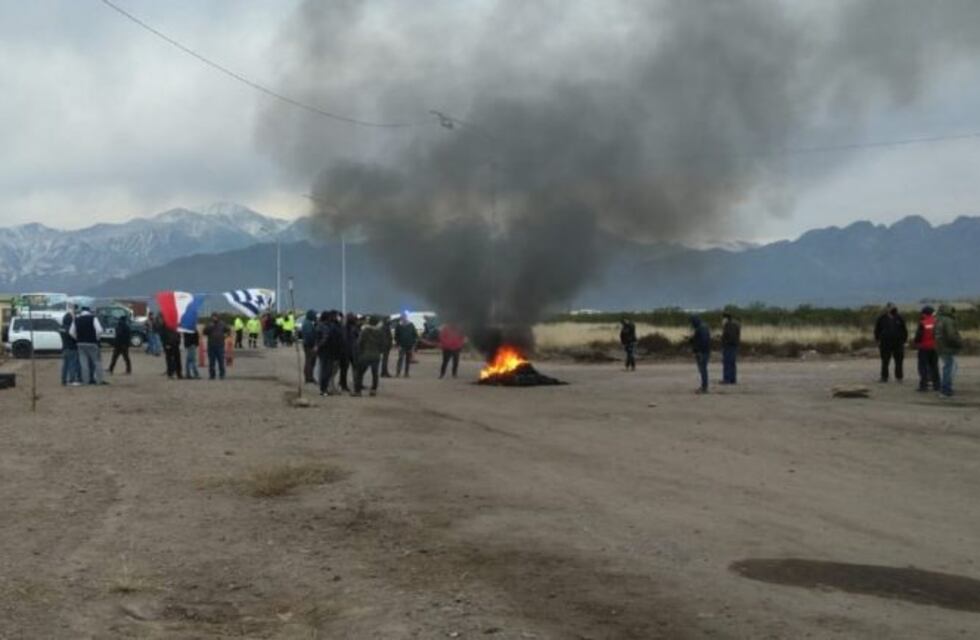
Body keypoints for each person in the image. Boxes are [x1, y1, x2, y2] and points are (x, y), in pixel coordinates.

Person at [70, 306, 107, 385]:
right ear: (89, 311)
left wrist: (77, 338)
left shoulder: (76, 319)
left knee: (84, 363)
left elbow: (71, 332)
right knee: (97, 362)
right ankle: (99, 380)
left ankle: (85, 381)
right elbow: (99, 330)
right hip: (92, 343)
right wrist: (96, 338)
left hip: (80, 344)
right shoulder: (93, 318)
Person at [874, 303, 908, 382]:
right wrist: (877, 340)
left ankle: (899, 377)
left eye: (893, 307)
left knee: (899, 361)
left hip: (898, 343)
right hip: (885, 343)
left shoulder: (899, 318)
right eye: (890, 308)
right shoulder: (882, 318)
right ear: (887, 309)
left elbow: (904, 330)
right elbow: (877, 330)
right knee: (885, 361)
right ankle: (884, 377)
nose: (892, 309)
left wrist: (904, 340)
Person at [934, 304, 962, 398]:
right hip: (947, 348)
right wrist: (959, 343)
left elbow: (934, 333)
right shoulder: (948, 321)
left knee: (949, 367)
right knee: (949, 368)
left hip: (940, 347)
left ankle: (945, 388)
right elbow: (951, 336)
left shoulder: (938, 320)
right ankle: (945, 390)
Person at [353, 315, 384, 396]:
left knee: (359, 373)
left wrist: (359, 352)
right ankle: (373, 390)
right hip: (376, 355)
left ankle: (357, 391)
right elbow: (382, 344)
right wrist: (379, 351)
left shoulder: (365, 331)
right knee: (375, 374)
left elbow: (359, 342)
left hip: (365, 354)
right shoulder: (380, 332)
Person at [315, 311, 344, 397]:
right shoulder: (326, 327)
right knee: (326, 371)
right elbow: (325, 338)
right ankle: (323, 389)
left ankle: (324, 389)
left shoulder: (321, 326)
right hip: (327, 351)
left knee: (326, 370)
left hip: (326, 351)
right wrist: (318, 346)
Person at [912, 305, 940, 392]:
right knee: (934, 367)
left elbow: (919, 336)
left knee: (923, 367)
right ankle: (937, 385)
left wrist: (915, 343)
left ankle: (923, 386)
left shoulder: (922, 323)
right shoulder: (936, 322)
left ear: (924, 313)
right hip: (934, 347)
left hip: (924, 347)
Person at [60, 307, 82, 386]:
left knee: (65, 365)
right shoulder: (70, 328)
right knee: (72, 364)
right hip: (72, 348)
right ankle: (72, 380)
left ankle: (63, 380)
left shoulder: (61, 328)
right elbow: (74, 336)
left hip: (64, 348)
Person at [339, 313, 361, 392]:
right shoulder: (353, 328)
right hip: (351, 350)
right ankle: (353, 384)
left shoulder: (343, 328)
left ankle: (343, 384)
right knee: (352, 368)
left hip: (346, 350)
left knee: (345, 369)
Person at [202, 313, 228, 380]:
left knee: (221, 361)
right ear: (211, 317)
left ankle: (222, 374)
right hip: (211, 346)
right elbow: (204, 332)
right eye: (213, 317)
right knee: (211, 362)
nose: (214, 318)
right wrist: (209, 327)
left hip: (220, 345)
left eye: (215, 317)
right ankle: (212, 375)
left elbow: (228, 330)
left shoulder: (222, 324)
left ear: (218, 317)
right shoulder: (209, 324)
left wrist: (225, 336)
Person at [689, 315, 710, 394]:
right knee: (702, 369)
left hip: (702, 352)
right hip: (703, 351)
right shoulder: (703, 327)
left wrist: (699, 350)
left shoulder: (701, 328)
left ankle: (704, 387)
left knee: (703, 369)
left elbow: (703, 341)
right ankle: (704, 386)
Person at [395, 313, 419, 378]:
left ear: (406, 317)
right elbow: (396, 336)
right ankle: (398, 372)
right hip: (401, 346)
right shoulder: (398, 326)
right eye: (402, 317)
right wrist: (398, 345)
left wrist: (413, 344)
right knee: (400, 359)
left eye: (405, 317)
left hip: (409, 345)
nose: (403, 318)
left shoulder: (411, 325)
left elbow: (415, 335)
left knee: (407, 360)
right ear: (401, 318)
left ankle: (406, 373)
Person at [720, 313, 741, 385]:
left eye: (723, 319)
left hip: (728, 346)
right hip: (734, 346)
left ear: (726, 319)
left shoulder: (727, 326)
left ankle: (726, 379)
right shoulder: (736, 325)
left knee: (727, 363)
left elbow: (729, 336)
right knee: (732, 363)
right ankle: (733, 379)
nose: (722, 320)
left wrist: (724, 341)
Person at [301, 310, 318, 383]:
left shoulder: (308, 323)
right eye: (314, 315)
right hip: (309, 345)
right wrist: (313, 345)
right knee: (309, 361)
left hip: (307, 344)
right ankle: (309, 377)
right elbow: (309, 336)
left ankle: (309, 376)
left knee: (310, 361)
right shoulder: (308, 324)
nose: (315, 316)